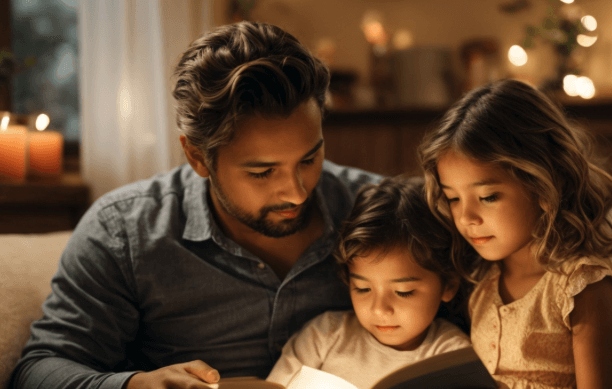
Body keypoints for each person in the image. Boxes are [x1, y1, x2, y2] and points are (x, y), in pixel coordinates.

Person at [11, 21, 381, 389]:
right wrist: (136, 385)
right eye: (262, 172)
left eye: (309, 159)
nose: (297, 193)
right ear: (197, 156)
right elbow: (39, 371)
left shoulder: (381, 212)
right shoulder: (123, 231)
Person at [418, 79, 612, 389]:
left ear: (544, 185)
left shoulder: (581, 288)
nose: (465, 217)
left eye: (488, 197)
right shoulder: (482, 285)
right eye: (453, 198)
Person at [266, 177, 471, 389]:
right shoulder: (323, 336)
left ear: (448, 285)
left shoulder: (452, 356)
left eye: (403, 292)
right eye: (363, 289)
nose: (379, 309)